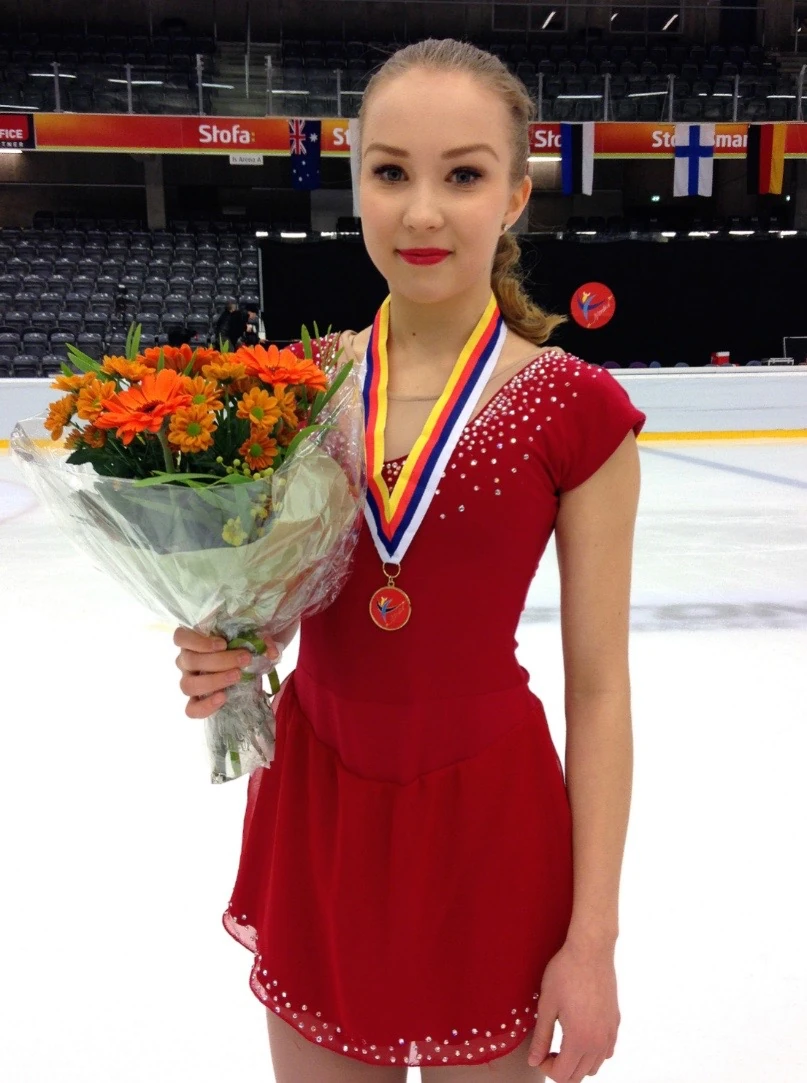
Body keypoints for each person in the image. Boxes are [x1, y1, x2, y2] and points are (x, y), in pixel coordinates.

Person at [173, 37, 646, 1083]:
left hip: (489, 826)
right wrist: (235, 652)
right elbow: (277, 607)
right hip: (322, 811)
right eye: (390, 172)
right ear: (356, 186)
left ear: (515, 195)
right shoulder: (294, 388)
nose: (422, 212)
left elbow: (601, 689)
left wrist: (593, 940)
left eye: (463, 176)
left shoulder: (578, 410)